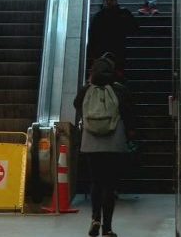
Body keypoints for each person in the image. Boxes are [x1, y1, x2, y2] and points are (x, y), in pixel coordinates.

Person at [74, 53, 135, 237]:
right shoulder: (119, 90)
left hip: (91, 141)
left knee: (96, 181)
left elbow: (77, 105)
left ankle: (95, 219)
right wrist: (131, 133)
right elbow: (128, 113)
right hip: (113, 141)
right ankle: (107, 228)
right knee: (109, 184)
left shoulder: (86, 90)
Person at [88, 0, 138, 80]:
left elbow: (134, 28)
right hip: (104, 53)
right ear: (104, 1)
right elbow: (92, 37)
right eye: (107, 0)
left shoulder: (122, 14)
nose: (109, 2)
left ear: (116, 0)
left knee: (115, 77)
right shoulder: (99, 17)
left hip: (117, 53)